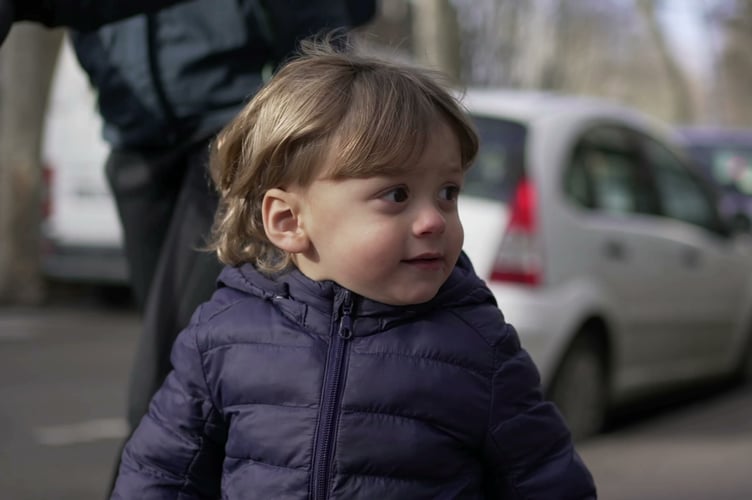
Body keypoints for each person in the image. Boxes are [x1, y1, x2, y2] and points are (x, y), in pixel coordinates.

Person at [110, 38, 597, 499]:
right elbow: (159, 473)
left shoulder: (477, 346)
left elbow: (549, 482)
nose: (433, 220)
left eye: (448, 192)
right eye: (397, 195)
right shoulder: (223, 334)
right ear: (288, 221)